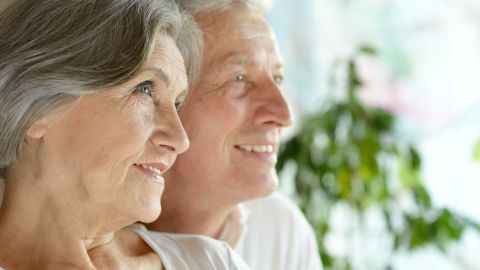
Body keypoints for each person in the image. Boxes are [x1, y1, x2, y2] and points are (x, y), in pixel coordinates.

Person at [0, 0, 250, 269]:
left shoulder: (210, 262)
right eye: (144, 89)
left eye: (176, 104)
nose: (180, 140)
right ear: (36, 106)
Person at [146, 0, 324, 269]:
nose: (284, 114)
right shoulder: (85, 244)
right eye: (239, 79)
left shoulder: (281, 230)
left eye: (277, 78)